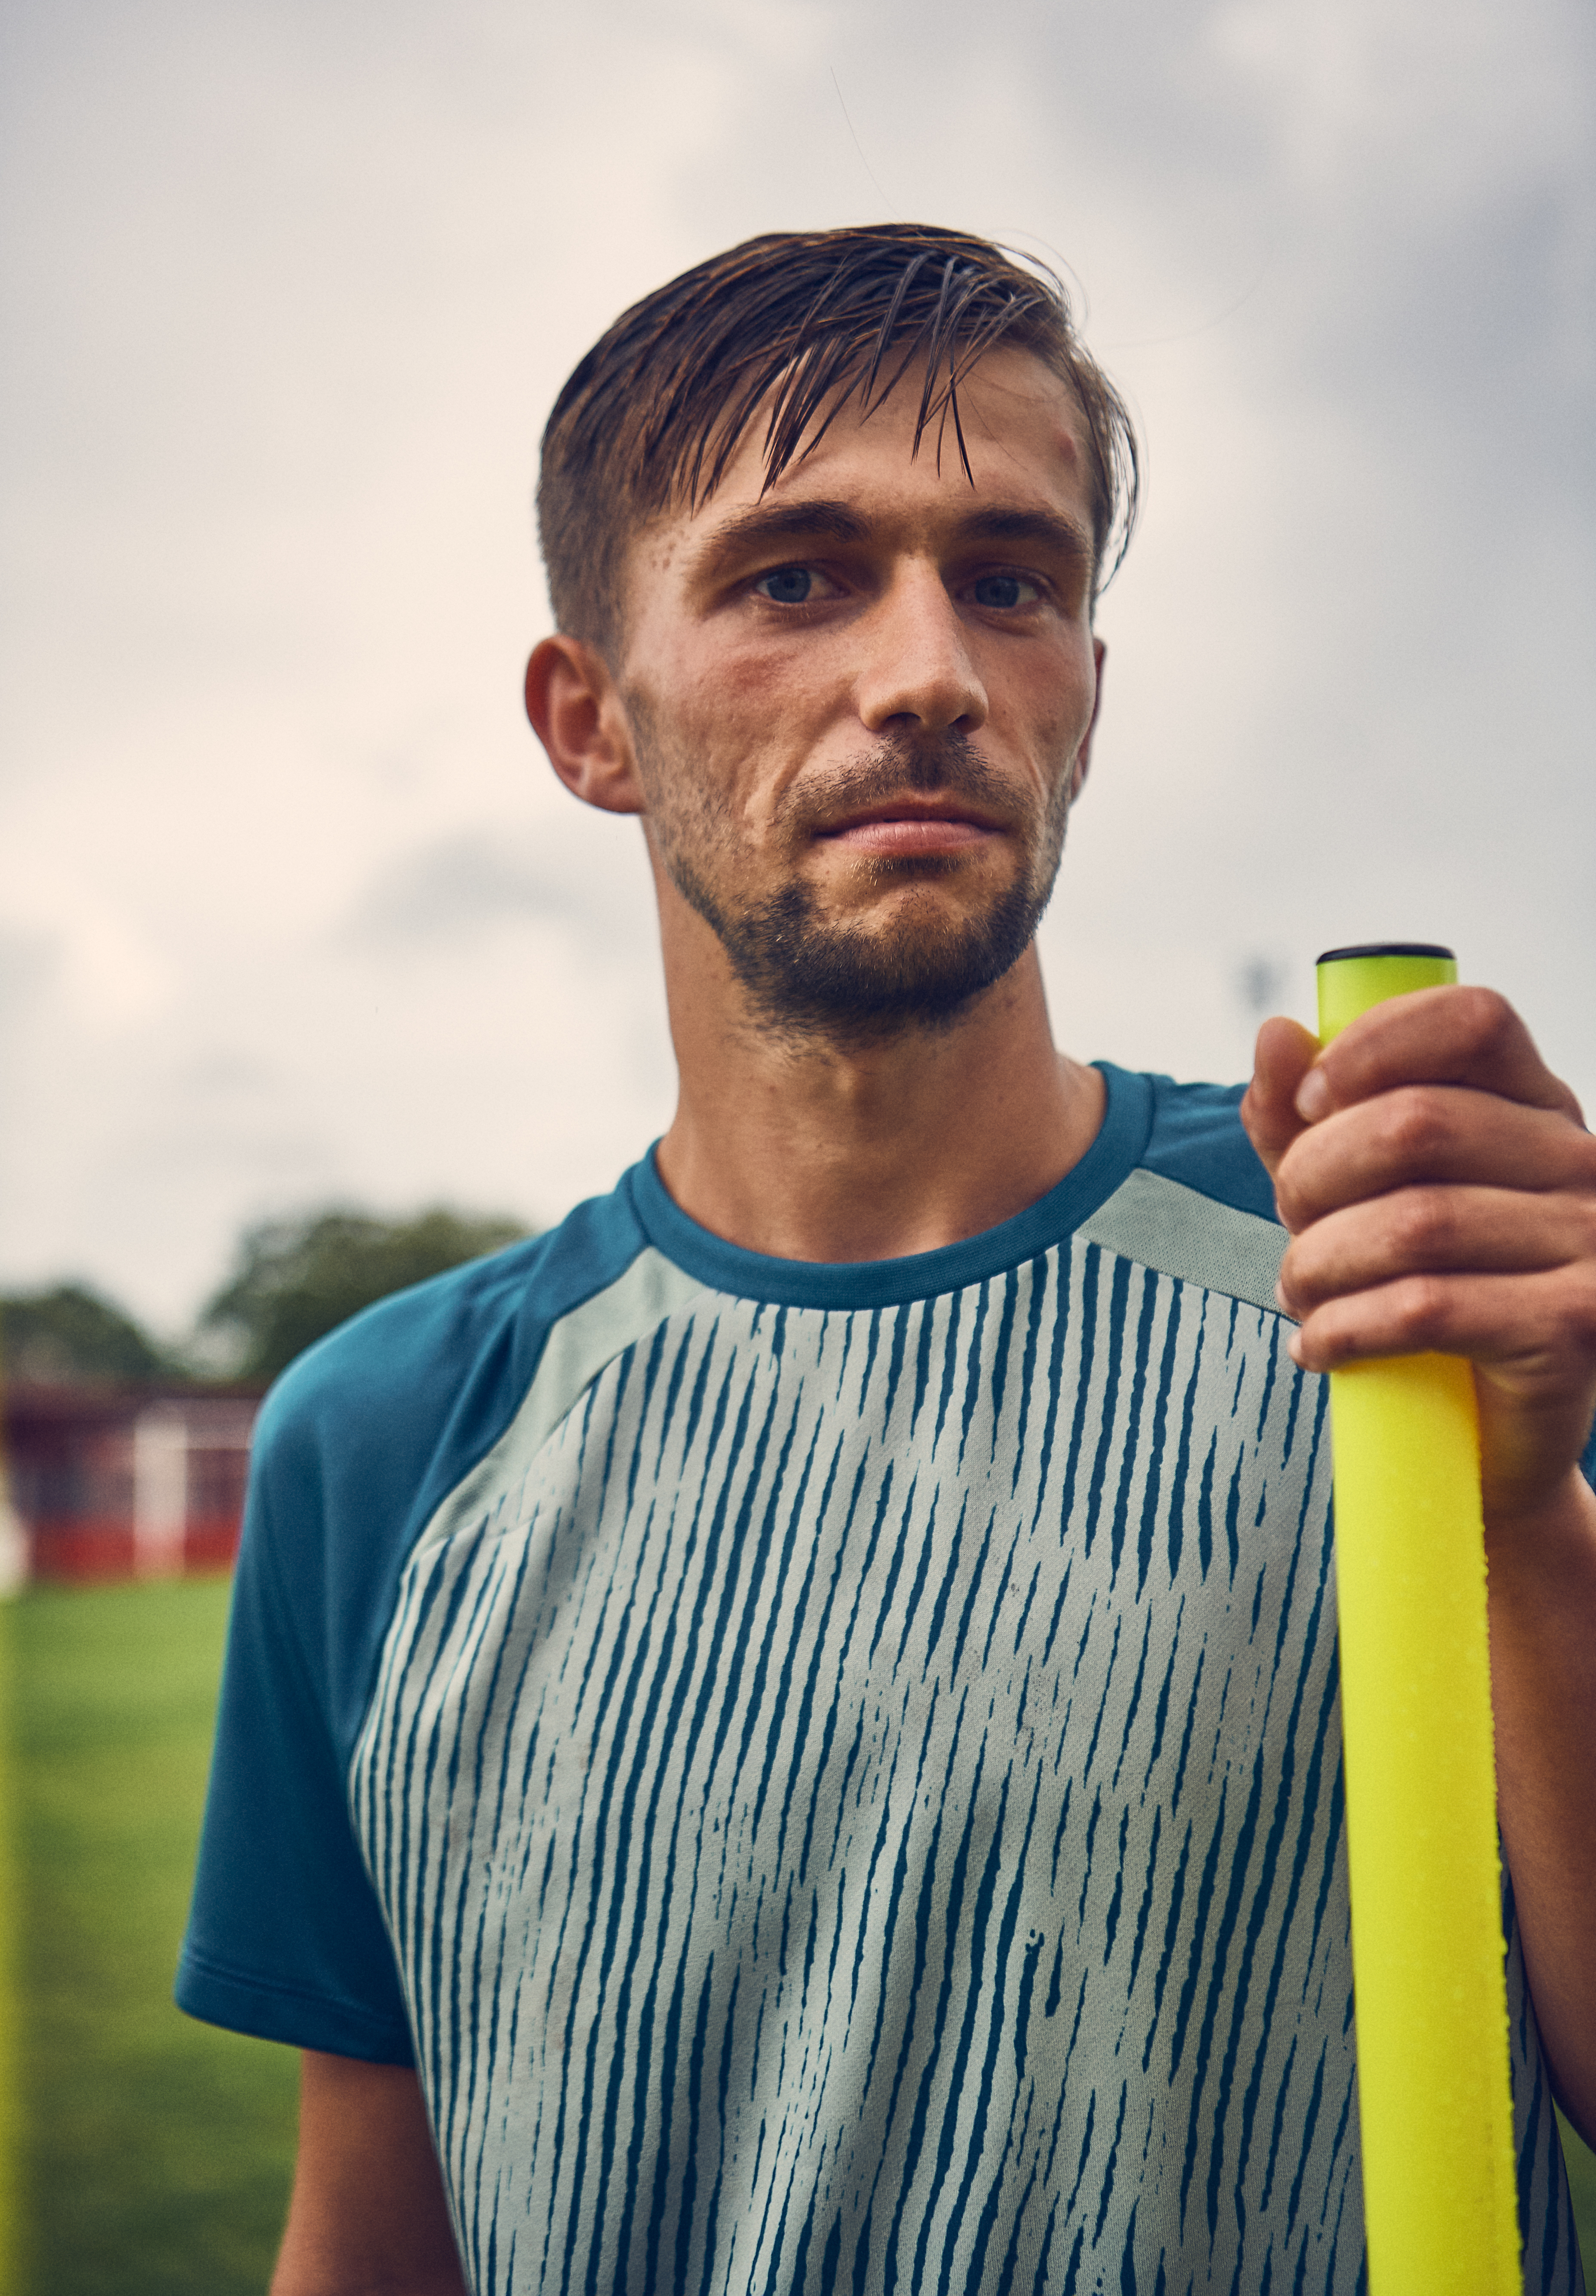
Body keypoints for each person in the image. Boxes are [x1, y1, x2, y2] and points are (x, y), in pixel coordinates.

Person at [178, 224, 1596, 2296]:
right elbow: (375, 2244)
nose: (927, 669)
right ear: (591, 722)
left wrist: (1526, 1518)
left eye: (1009, 581)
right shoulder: (387, 1439)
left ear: (1081, 701)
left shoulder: (1397, 1275)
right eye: (795, 577)